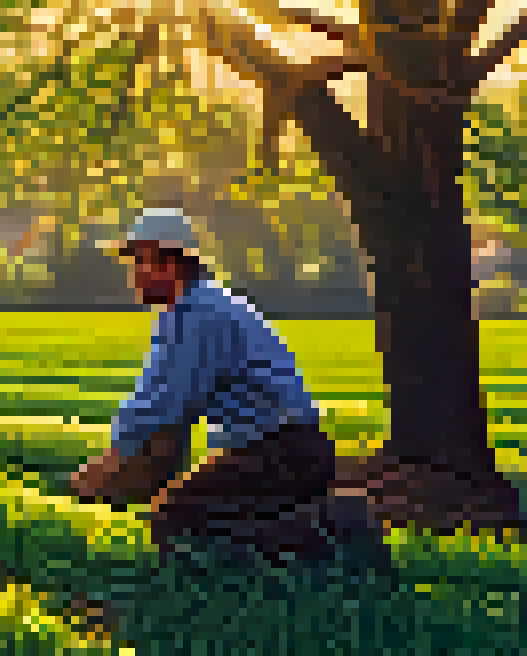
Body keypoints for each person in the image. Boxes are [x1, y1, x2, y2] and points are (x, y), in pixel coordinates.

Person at [69, 207, 383, 568]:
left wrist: (104, 467)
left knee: (174, 520)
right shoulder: (190, 310)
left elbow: (164, 405)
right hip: (277, 450)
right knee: (202, 512)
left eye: (141, 263)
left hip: (281, 452)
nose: (134, 276)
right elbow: (157, 396)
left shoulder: (201, 316)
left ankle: (336, 528)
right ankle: (310, 530)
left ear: (171, 265)